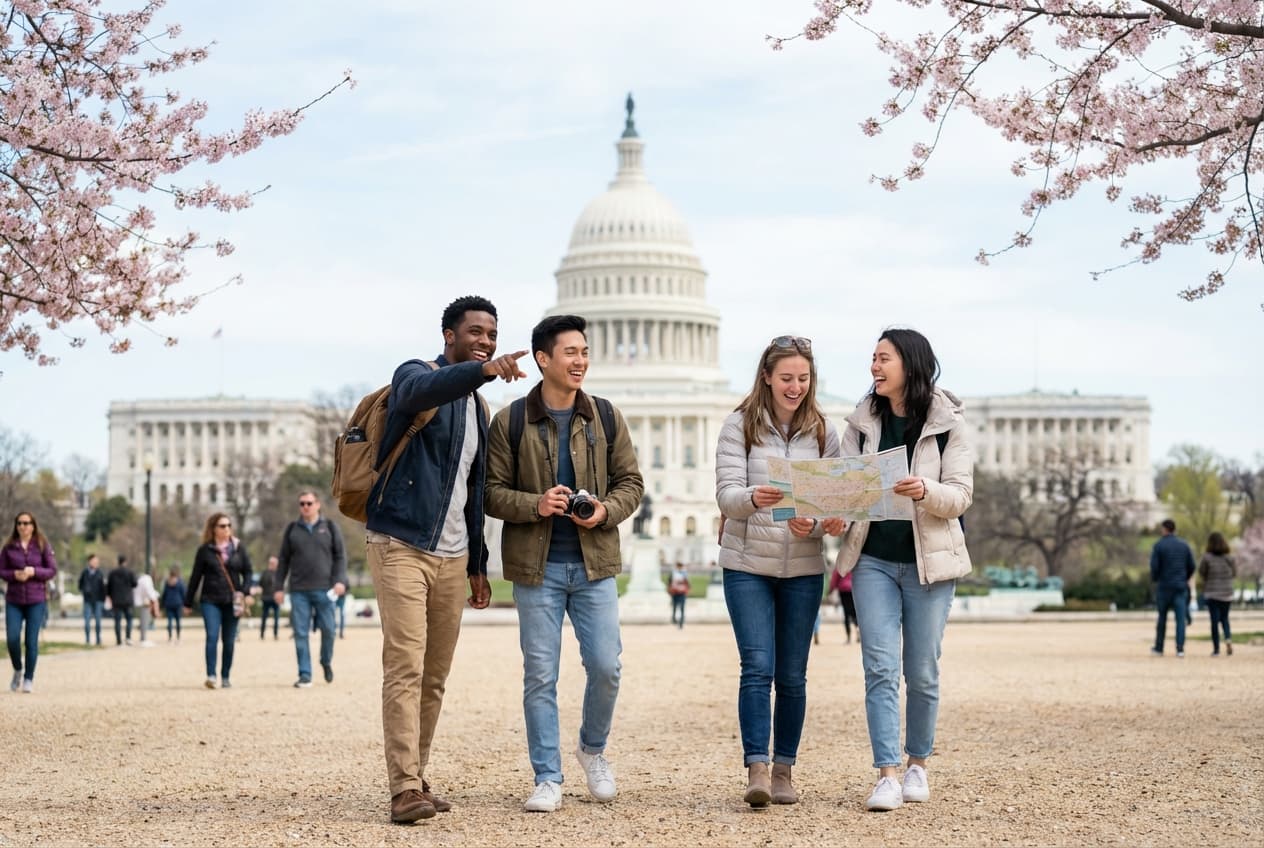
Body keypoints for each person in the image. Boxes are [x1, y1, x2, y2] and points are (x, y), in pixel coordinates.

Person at [365, 294, 526, 824]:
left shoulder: (479, 409)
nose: (485, 341)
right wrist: (482, 371)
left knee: (434, 675)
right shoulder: (416, 375)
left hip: (453, 555)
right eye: (475, 332)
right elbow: (419, 390)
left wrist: (479, 563)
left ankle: (417, 775)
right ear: (449, 335)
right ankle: (403, 786)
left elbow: (473, 490)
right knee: (405, 666)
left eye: (492, 335)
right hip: (401, 544)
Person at [485, 314, 644, 813]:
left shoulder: (607, 416)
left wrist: (603, 510)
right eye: (570, 352)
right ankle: (547, 776)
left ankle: (591, 749)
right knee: (540, 674)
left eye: (584, 351)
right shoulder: (509, 420)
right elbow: (489, 493)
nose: (580, 361)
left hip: (593, 562)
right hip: (538, 567)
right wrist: (537, 503)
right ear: (543, 359)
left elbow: (631, 484)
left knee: (606, 667)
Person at [833, 328, 972, 813]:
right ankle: (887, 773)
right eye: (872, 357)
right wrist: (832, 509)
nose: (874, 366)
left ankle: (918, 765)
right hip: (872, 558)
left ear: (910, 365)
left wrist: (924, 491)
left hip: (928, 561)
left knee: (923, 671)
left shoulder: (950, 423)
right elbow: (844, 484)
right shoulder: (861, 421)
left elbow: (959, 495)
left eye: (883, 358)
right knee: (879, 668)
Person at [715, 334, 843, 808]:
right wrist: (752, 498)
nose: (795, 387)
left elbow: (838, 504)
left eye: (803, 379)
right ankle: (758, 769)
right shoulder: (738, 427)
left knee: (792, 675)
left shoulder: (826, 433)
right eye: (786, 378)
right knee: (757, 667)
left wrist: (829, 521)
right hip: (748, 563)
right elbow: (727, 494)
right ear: (766, 377)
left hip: (804, 565)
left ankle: (785, 767)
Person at [275, 491, 348, 687]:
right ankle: (305, 674)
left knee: (329, 630)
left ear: (317, 504)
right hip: (299, 590)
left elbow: (340, 557)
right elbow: (283, 560)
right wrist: (278, 587)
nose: (305, 507)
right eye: (302, 504)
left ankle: (325, 661)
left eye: (308, 503)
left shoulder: (330, 527)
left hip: (325, 589)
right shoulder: (292, 529)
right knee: (300, 632)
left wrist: (340, 581)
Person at [186, 513, 252, 689]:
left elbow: (248, 572)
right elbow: (195, 577)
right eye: (222, 526)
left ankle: (225, 676)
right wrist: (188, 602)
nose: (227, 529)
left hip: (233, 600)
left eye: (229, 525)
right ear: (213, 529)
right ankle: (211, 675)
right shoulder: (205, 550)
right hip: (210, 599)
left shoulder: (239, 548)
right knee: (212, 636)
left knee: (229, 640)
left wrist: (244, 591)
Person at [1, 512, 57, 693]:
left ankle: (28, 678)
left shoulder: (42, 545)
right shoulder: (9, 547)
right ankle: (18, 668)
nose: (23, 526)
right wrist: (14, 575)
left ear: (33, 525)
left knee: (31, 642)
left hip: (36, 599)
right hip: (14, 599)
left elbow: (51, 570)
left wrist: (34, 572)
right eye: (19, 523)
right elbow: (1, 570)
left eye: (26, 523)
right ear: (16, 526)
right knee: (12, 639)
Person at [1150, 518, 1196, 658]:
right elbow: (1192, 566)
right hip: (1180, 587)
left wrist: (1156, 578)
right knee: (1180, 619)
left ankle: (1159, 647)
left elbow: (1154, 567)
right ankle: (1180, 648)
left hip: (1164, 586)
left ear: (1164, 529)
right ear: (1174, 529)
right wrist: (1184, 577)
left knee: (1162, 618)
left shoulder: (1159, 546)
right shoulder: (1184, 546)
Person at [1197, 532, 1236, 657]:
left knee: (1214, 621)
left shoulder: (1207, 557)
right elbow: (1234, 573)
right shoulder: (1230, 558)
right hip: (1227, 592)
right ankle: (1228, 638)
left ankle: (1216, 649)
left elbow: (1202, 572)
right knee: (1224, 618)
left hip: (1212, 592)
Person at [106, 554, 137, 646]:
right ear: (125, 562)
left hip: (116, 600)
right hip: (127, 600)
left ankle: (118, 639)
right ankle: (128, 637)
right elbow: (135, 584)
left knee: (117, 621)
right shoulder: (130, 572)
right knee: (129, 620)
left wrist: (110, 596)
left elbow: (108, 587)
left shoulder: (112, 573)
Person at [78, 553, 107, 646]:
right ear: (89, 561)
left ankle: (98, 639)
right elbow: (80, 585)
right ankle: (87, 640)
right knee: (87, 621)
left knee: (98, 621)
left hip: (98, 600)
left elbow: (103, 588)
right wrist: (85, 590)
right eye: (94, 561)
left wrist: (103, 599)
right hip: (88, 600)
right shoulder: (85, 573)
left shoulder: (100, 573)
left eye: (97, 561)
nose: (96, 563)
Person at [829, 565, 858, 644]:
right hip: (854, 589)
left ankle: (848, 638)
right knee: (854, 611)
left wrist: (831, 589)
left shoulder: (842, 563)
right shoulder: (855, 563)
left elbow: (835, 577)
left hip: (844, 591)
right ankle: (857, 627)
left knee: (846, 613)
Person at [134, 569, 160, 647]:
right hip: (144, 602)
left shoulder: (142, 578)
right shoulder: (147, 579)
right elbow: (149, 590)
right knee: (144, 620)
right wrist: (154, 598)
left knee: (143, 620)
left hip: (141, 601)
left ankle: (143, 637)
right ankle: (143, 639)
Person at [259, 555, 281, 640]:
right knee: (264, 617)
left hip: (276, 599)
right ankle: (262, 634)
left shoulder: (278, 573)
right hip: (266, 598)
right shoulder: (265, 573)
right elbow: (260, 583)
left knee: (276, 617)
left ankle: (275, 634)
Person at [162, 566, 186, 642]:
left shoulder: (167, 582)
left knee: (169, 621)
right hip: (178, 603)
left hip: (169, 603)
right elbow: (183, 593)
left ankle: (170, 637)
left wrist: (163, 603)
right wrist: (185, 603)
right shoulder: (180, 582)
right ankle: (178, 636)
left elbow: (164, 594)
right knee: (178, 621)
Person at [668, 563, 690, 629]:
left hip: (681, 593)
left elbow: (687, 583)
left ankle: (681, 622)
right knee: (675, 607)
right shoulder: (674, 573)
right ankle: (674, 619)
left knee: (681, 608)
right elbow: (670, 582)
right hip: (675, 592)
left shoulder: (684, 573)